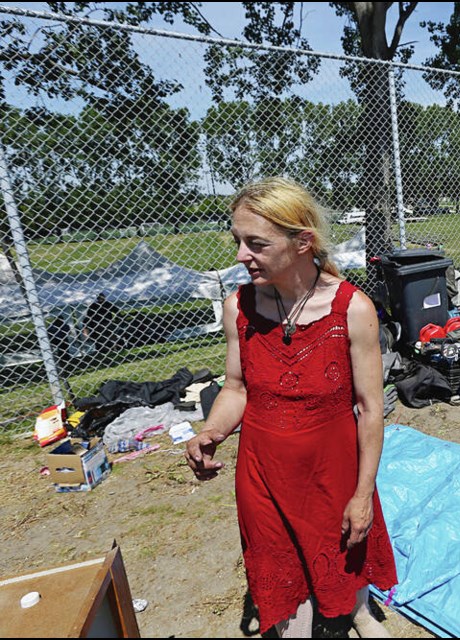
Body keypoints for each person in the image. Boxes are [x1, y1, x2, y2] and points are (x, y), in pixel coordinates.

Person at [184, 177, 397, 638]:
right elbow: (237, 388)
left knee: (345, 551)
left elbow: (370, 408)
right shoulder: (237, 306)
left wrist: (361, 495)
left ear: (302, 242)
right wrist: (211, 432)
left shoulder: (351, 309)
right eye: (238, 241)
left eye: (256, 243)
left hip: (332, 467)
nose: (241, 255)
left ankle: (357, 611)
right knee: (280, 576)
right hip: (262, 468)